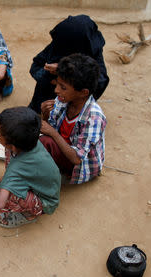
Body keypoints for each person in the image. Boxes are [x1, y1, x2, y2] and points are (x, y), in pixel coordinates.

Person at [40, 53, 107, 184]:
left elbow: (77, 159)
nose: (56, 90)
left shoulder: (94, 117)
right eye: (57, 84)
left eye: (63, 87)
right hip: (63, 148)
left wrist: (52, 133)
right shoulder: (63, 100)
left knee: (43, 142)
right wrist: (45, 115)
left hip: (80, 166)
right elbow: (51, 127)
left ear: (83, 93)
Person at [0, 107, 61, 228]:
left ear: (12, 145)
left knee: (8, 198)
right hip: (49, 186)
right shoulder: (32, 141)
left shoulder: (16, 168)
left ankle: (30, 214)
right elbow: (11, 146)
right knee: (8, 155)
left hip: (47, 202)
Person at [28, 15, 109, 113]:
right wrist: (50, 76)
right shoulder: (59, 44)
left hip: (73, 106)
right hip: (45, 99)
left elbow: (98, 84)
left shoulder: (91, 50)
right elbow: (35, 67)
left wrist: (63, 71)